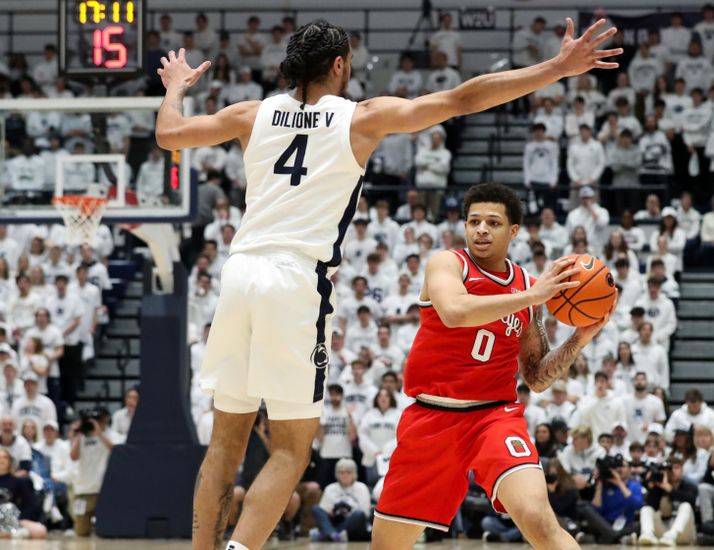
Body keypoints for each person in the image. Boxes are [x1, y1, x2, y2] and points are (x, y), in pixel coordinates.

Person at [156, 17, 621, 550]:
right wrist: (557, 68)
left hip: (238, 274)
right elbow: (463, 98)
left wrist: (173, 89)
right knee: (290, 450)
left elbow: (169, 134)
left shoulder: (250, 114)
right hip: (295, 281)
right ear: (339, 65)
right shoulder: (361, 118)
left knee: (225, 443)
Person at [372, 179, 616, 548]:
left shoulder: (525, 287)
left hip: (494, 419)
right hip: (431, 419)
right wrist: (531, 296)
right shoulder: (447, 264)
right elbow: (455, 312)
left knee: (538, 518)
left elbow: (535, 377)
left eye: (493, 222)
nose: (481, 229)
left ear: (513, 230)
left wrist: (580, 337)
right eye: (474, 222)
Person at [69, 407, 121, 536]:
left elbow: (115, 451)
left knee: (105, 531)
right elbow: (73, 457)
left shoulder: (111, 434)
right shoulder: (83, 435)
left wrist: (99, 433)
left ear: (106, 420)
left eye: (99, 419)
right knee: (81, 531)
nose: (96, 422)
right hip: (83, 490)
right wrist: (79, 434)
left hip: (102, 490)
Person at [578, 456, 643, 544]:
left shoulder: (635, 485)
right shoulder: (605, 485)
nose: (619, 469)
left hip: (625, 524)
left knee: (638, 525)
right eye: (617, 467)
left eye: (622, 466)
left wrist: (620, 483)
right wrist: (599, 487)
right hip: (604, 524)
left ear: (629, 469)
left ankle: (605, 538)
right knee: (585, 507)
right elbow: (596, 511)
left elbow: (636, 505)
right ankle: (619, 538)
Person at [638, 457, 698, 546]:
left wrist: (670, 490)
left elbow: (691, 501)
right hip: (663, 533)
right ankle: (647, 534)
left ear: (682, 470)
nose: (673, 471)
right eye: (670, 468)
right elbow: (650, 505)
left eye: (676, 468)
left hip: (683, 533)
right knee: (646, 509)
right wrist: (652, 486)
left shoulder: (689, 486)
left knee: (686, 506)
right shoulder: (659, 486)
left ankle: (672, 535)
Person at [310, 458, 370, 542]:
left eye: (348, 472)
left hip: (352, 522)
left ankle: (328, 534)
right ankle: (335, 535)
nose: (345, 475)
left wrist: (349, 508)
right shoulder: (330, 488)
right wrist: (335, 510)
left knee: (359, 515)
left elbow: (365, 513)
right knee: (316, 509)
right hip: (335, 520)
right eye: (341, 472)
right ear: (337, 474)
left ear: (354, 474)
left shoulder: (361, 488)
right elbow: (324, 510)